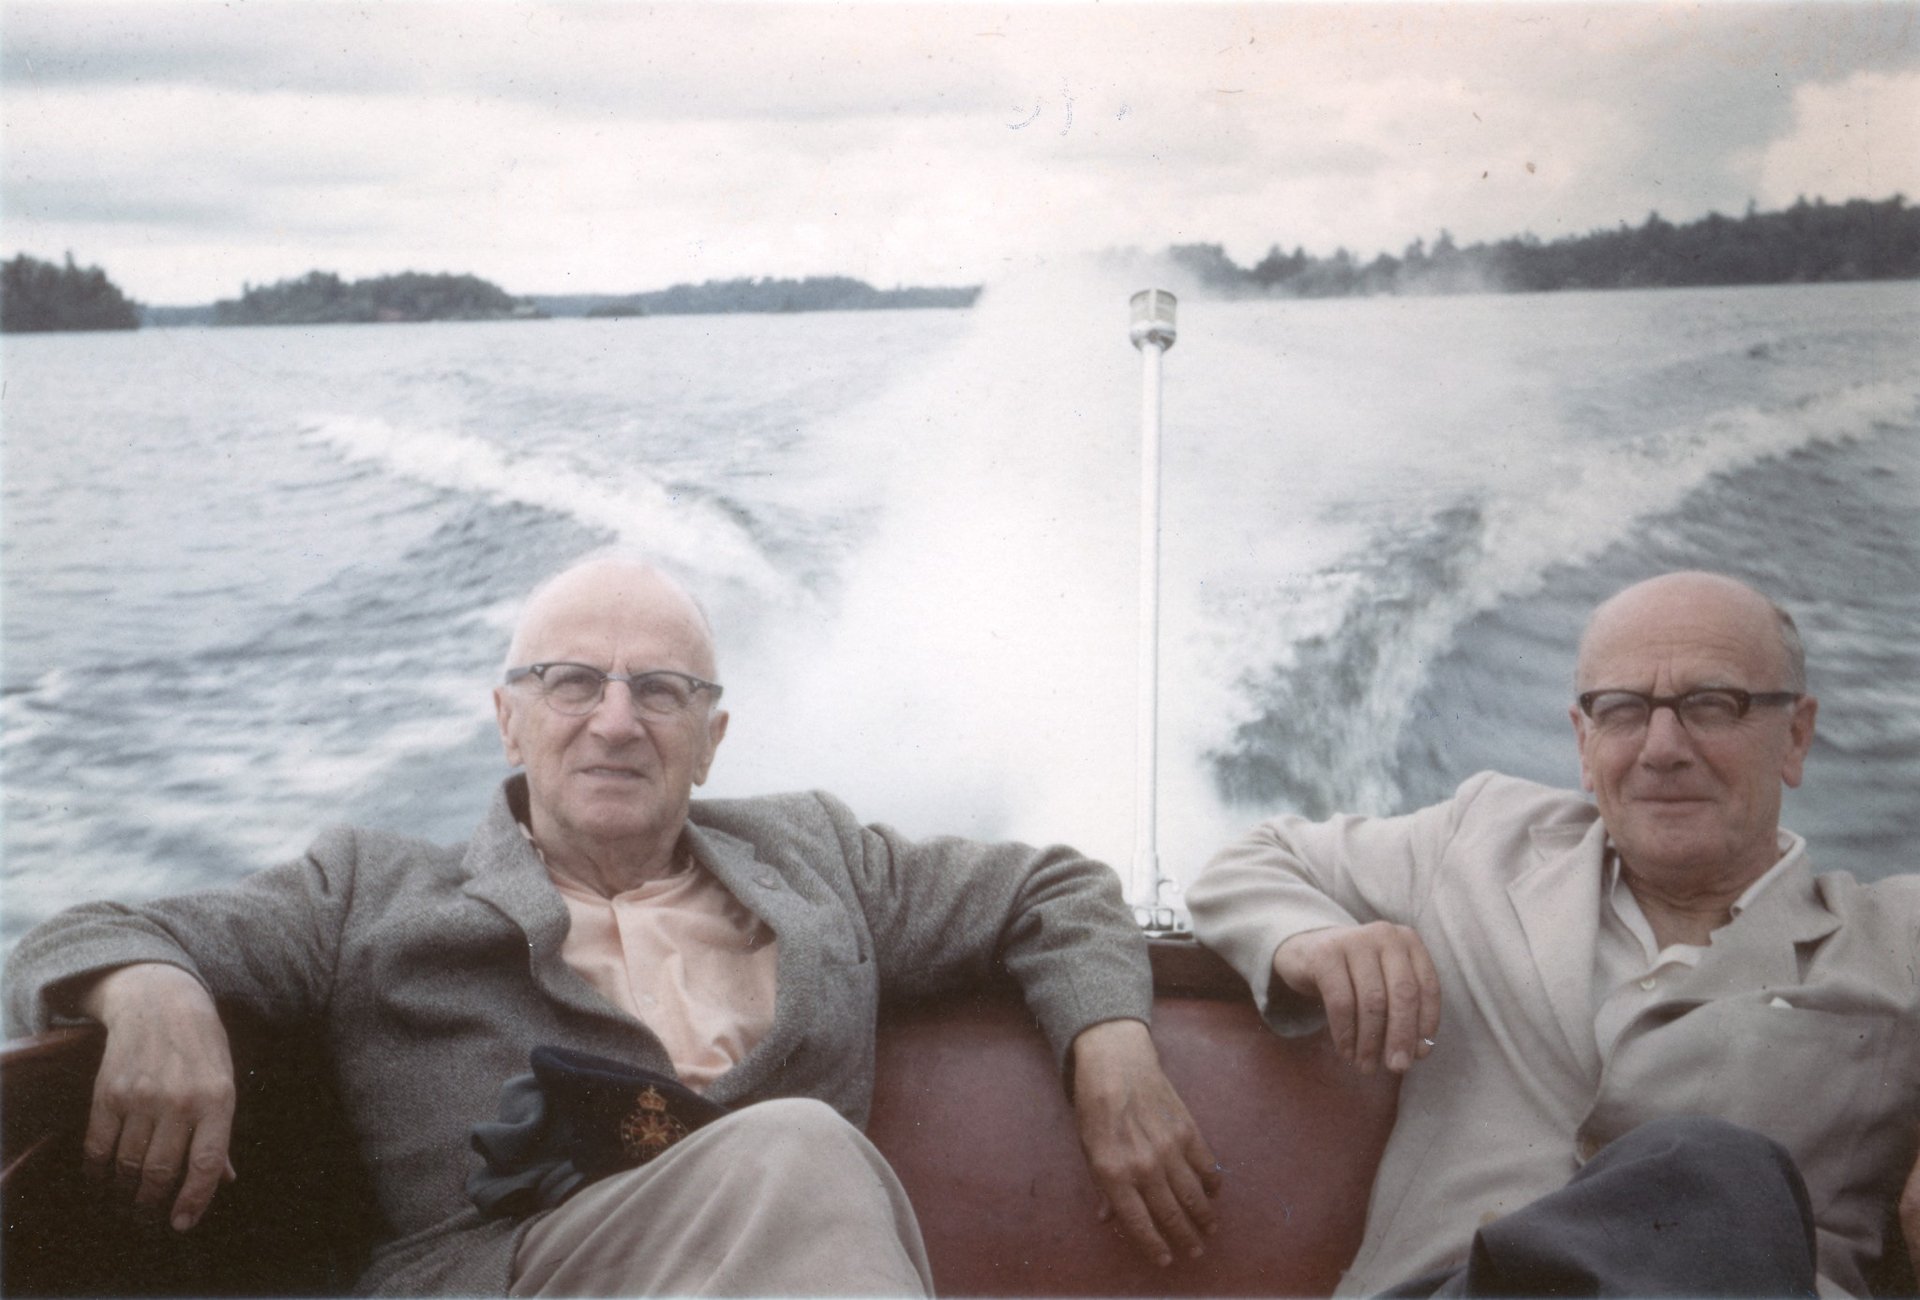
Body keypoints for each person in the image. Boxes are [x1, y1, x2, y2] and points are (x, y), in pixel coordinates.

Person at [5, 554, 1220, 1297]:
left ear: (711, 740)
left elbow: (1053, 887)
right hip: (517, 1275)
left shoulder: (819, 856)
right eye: (573, 681)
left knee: (794, 1154)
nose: (617, 719)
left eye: (662, 691)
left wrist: (1109, 1046)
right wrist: (152, 988)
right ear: (508, 720)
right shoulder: (373, 888)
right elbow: (86, 930)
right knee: (796, 1147)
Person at [1189, 571, 1920, 1297]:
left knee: (1716, 1167)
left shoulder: (1895, 936)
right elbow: (1254, 860)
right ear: (1583, 741)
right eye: (1623, 711)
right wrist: (1315, 941)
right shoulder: (1482, 838)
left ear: (1795, 736)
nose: (1662, 748)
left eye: (1710, 705)